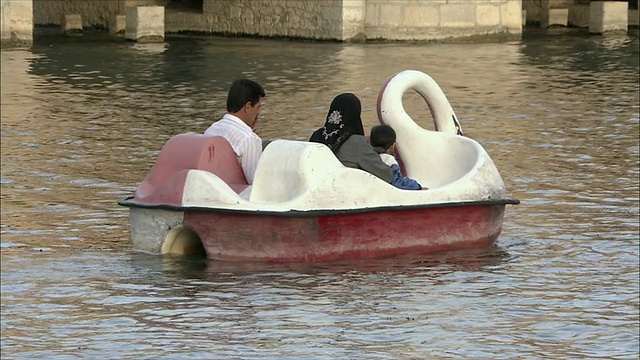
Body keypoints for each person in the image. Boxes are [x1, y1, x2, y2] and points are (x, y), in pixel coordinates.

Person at [309, 93, 393, 183]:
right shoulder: (358, 142)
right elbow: (386, 175)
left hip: (318, 183)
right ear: (354, 113)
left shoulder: (316, 136)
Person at [204, 79, 265, 185]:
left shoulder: (211, 129)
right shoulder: (249, 139)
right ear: (248, 106)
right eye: (258, 107)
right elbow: (256, 184)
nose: (258, 114)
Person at [370, 124, 424, 190]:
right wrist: (417, 186)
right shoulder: (389, 160)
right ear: (392, 145)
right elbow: (397, 182)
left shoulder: (368, 157)